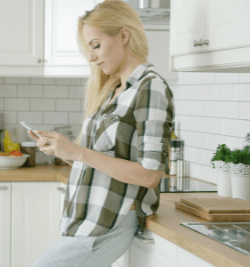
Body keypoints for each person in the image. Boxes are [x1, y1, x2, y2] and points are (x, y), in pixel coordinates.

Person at [28, 0, 174, 266]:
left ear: (123, 35)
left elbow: (150, 175)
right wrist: (63, 150)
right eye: (88, 49)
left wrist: (79, 152)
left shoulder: (149, 88)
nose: (91, 57)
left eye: (96, 45)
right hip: (83, 223)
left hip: (109, 223)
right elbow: (96, 161)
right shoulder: (111, 90)